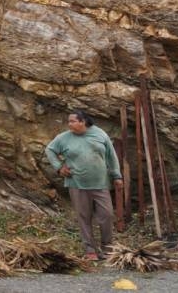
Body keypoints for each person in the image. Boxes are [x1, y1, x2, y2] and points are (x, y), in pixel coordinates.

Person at [44, 109, 123, 260]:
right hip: (77, 183)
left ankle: (107, 248)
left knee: (106, 215)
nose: (69, 124)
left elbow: (111, 156)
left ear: (83, 122)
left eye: (73, 121)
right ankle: (90, 250)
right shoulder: (63, 138)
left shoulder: (100, 134)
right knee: (83, 217)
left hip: (100, 183)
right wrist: (59, 167)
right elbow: (50, 150)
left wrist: (117, 176)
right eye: (69, 121)